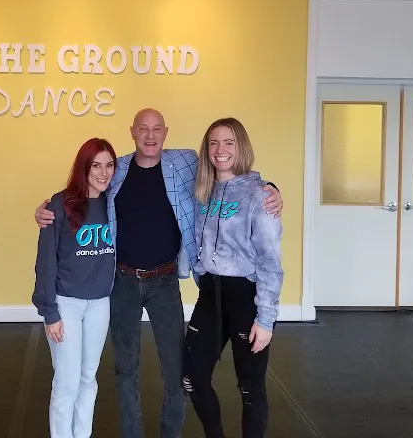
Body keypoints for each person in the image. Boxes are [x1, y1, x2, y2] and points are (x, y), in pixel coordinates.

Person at [35, 109, 283, 438]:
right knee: (125, 369)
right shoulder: (117, 169)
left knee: (176, 370)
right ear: (132, 132)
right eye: (142, 129)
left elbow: (229, 172)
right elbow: (86, 188)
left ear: (166, 132)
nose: (150, 136)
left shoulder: (186, 162)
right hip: (122, 282)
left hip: (165, 281)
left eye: (156, 129)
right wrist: (49, 208)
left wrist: (270, 188)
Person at [181, 117, 283, 438]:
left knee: (250, 387)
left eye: (229, 142)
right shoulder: (203, 192)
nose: (220, 149)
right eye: (213, 143)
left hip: (245, 300)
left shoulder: (260, 197)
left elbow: (270, 262)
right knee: (192, 377)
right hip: (210, 296)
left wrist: (265, 319)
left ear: (241, 147)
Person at [32, 137, 119, 438]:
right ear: (84, 167)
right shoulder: (59, 205)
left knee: (88, 379)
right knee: (67, 382)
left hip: (100, 303)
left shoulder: (113, 204)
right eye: (96, 165)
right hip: (65, 303)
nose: (103, 173)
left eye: (109, 165)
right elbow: (45, 262)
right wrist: (49, 311)